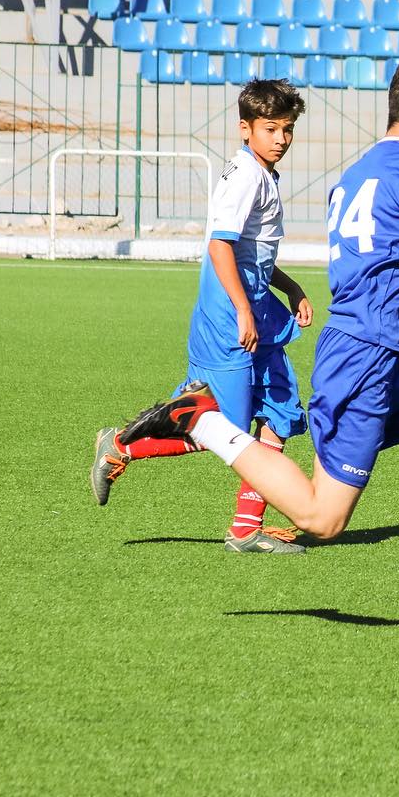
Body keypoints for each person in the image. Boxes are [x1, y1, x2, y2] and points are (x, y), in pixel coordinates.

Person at [113, 52, 399, 629]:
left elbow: (378, 272)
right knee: (322, 518)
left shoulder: (358, 173)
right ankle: (200, 419)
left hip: (384, 348)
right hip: (364, 357)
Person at [90, 78, 314, 554]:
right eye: (271, 129)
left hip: (257, 310)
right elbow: (219, 247)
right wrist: (242, 309)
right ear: (245, 129)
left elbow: (252, 254)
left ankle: (246, 529)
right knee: (224, 427)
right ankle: (121, 446)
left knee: (280, 410)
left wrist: (290, 287)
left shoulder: (261, 172)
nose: (281, 139)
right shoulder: (247, 175)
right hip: (229, 317)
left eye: (287, 129)